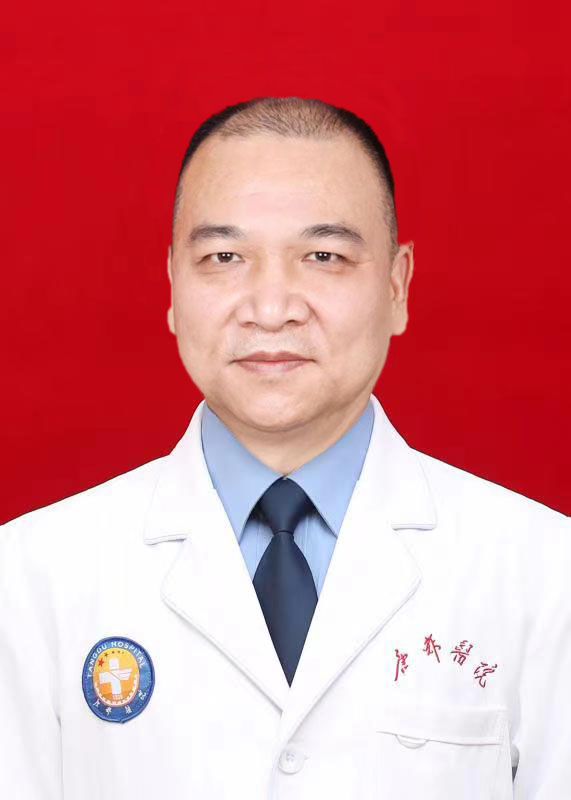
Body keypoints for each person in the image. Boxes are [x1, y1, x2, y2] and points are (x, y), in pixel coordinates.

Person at [0, 96, 569, 800]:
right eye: (224, 257)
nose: (271, 308)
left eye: (323, 256)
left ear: (397, 287)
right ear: (173, 285)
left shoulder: (545, 574)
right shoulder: (31, 577)